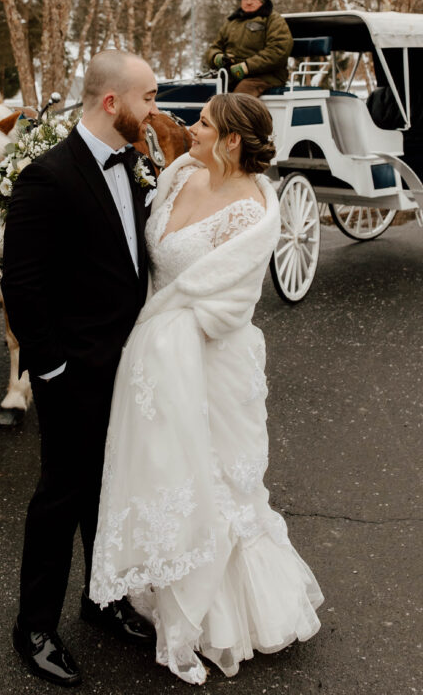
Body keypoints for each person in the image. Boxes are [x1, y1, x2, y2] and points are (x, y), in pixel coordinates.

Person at [90, 93, 323, 685]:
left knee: (217, 479)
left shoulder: (250, 212)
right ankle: (166, 573)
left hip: (209, 361)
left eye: (203, 124)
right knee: (168, 472)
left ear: (232, 141)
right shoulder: (179, 175)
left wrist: (165, 336)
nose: (190, 129)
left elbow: (230, 304)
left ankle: (224, 617)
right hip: (156, 352)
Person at [1, 50, 160, 687]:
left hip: (132, 366)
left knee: (110, 488)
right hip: (74, 372)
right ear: (112, 103)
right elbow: (24, 288)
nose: (156, 109)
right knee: (61, 495)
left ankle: (103, 601)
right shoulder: (47, 177)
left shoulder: (137, 165)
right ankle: (34, 627)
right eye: (148, 97)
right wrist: (55, 371)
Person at [205, 0, 293, 97]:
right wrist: (217, 58)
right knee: (205, 92)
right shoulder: (232, 22)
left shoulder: (273, 20)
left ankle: (236, 114)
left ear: (262, 1)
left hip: (266, 76)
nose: (249, 2)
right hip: (231, 76)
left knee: (238, 100)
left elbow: (278, 50)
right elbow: (214, 47)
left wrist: (246, 67)